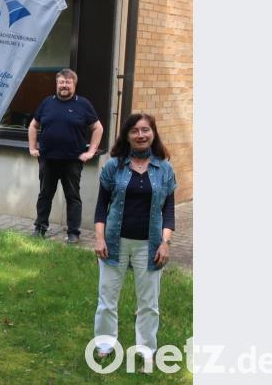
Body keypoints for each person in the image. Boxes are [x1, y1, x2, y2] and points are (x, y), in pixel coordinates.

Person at [92, 113, 176, 368]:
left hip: (149, 246)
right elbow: (100, 207)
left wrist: (165, 242)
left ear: (153, 133)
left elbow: (169, 211)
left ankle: (147, 349)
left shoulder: (165, 168)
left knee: (149, 303)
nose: (141, 135)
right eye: (135, 131)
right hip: (114, 244)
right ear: (127, 136)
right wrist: (99, 239)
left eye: (146, 130)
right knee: (107, 300)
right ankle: (105, 344)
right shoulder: (113, 166)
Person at [28, 68, 103, 244]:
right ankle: (39, 228)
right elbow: (33, 126)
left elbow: (98, 128)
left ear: (74, 85)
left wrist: (91, 152)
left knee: (73, 196)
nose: (64, 85)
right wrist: (32, 148)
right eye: (61, 82)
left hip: (72, 160)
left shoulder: (83, 104)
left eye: (68, 82)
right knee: (45, 195)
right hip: (48, 159)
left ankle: (73, 233)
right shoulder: (47, 103)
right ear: (57, 84)